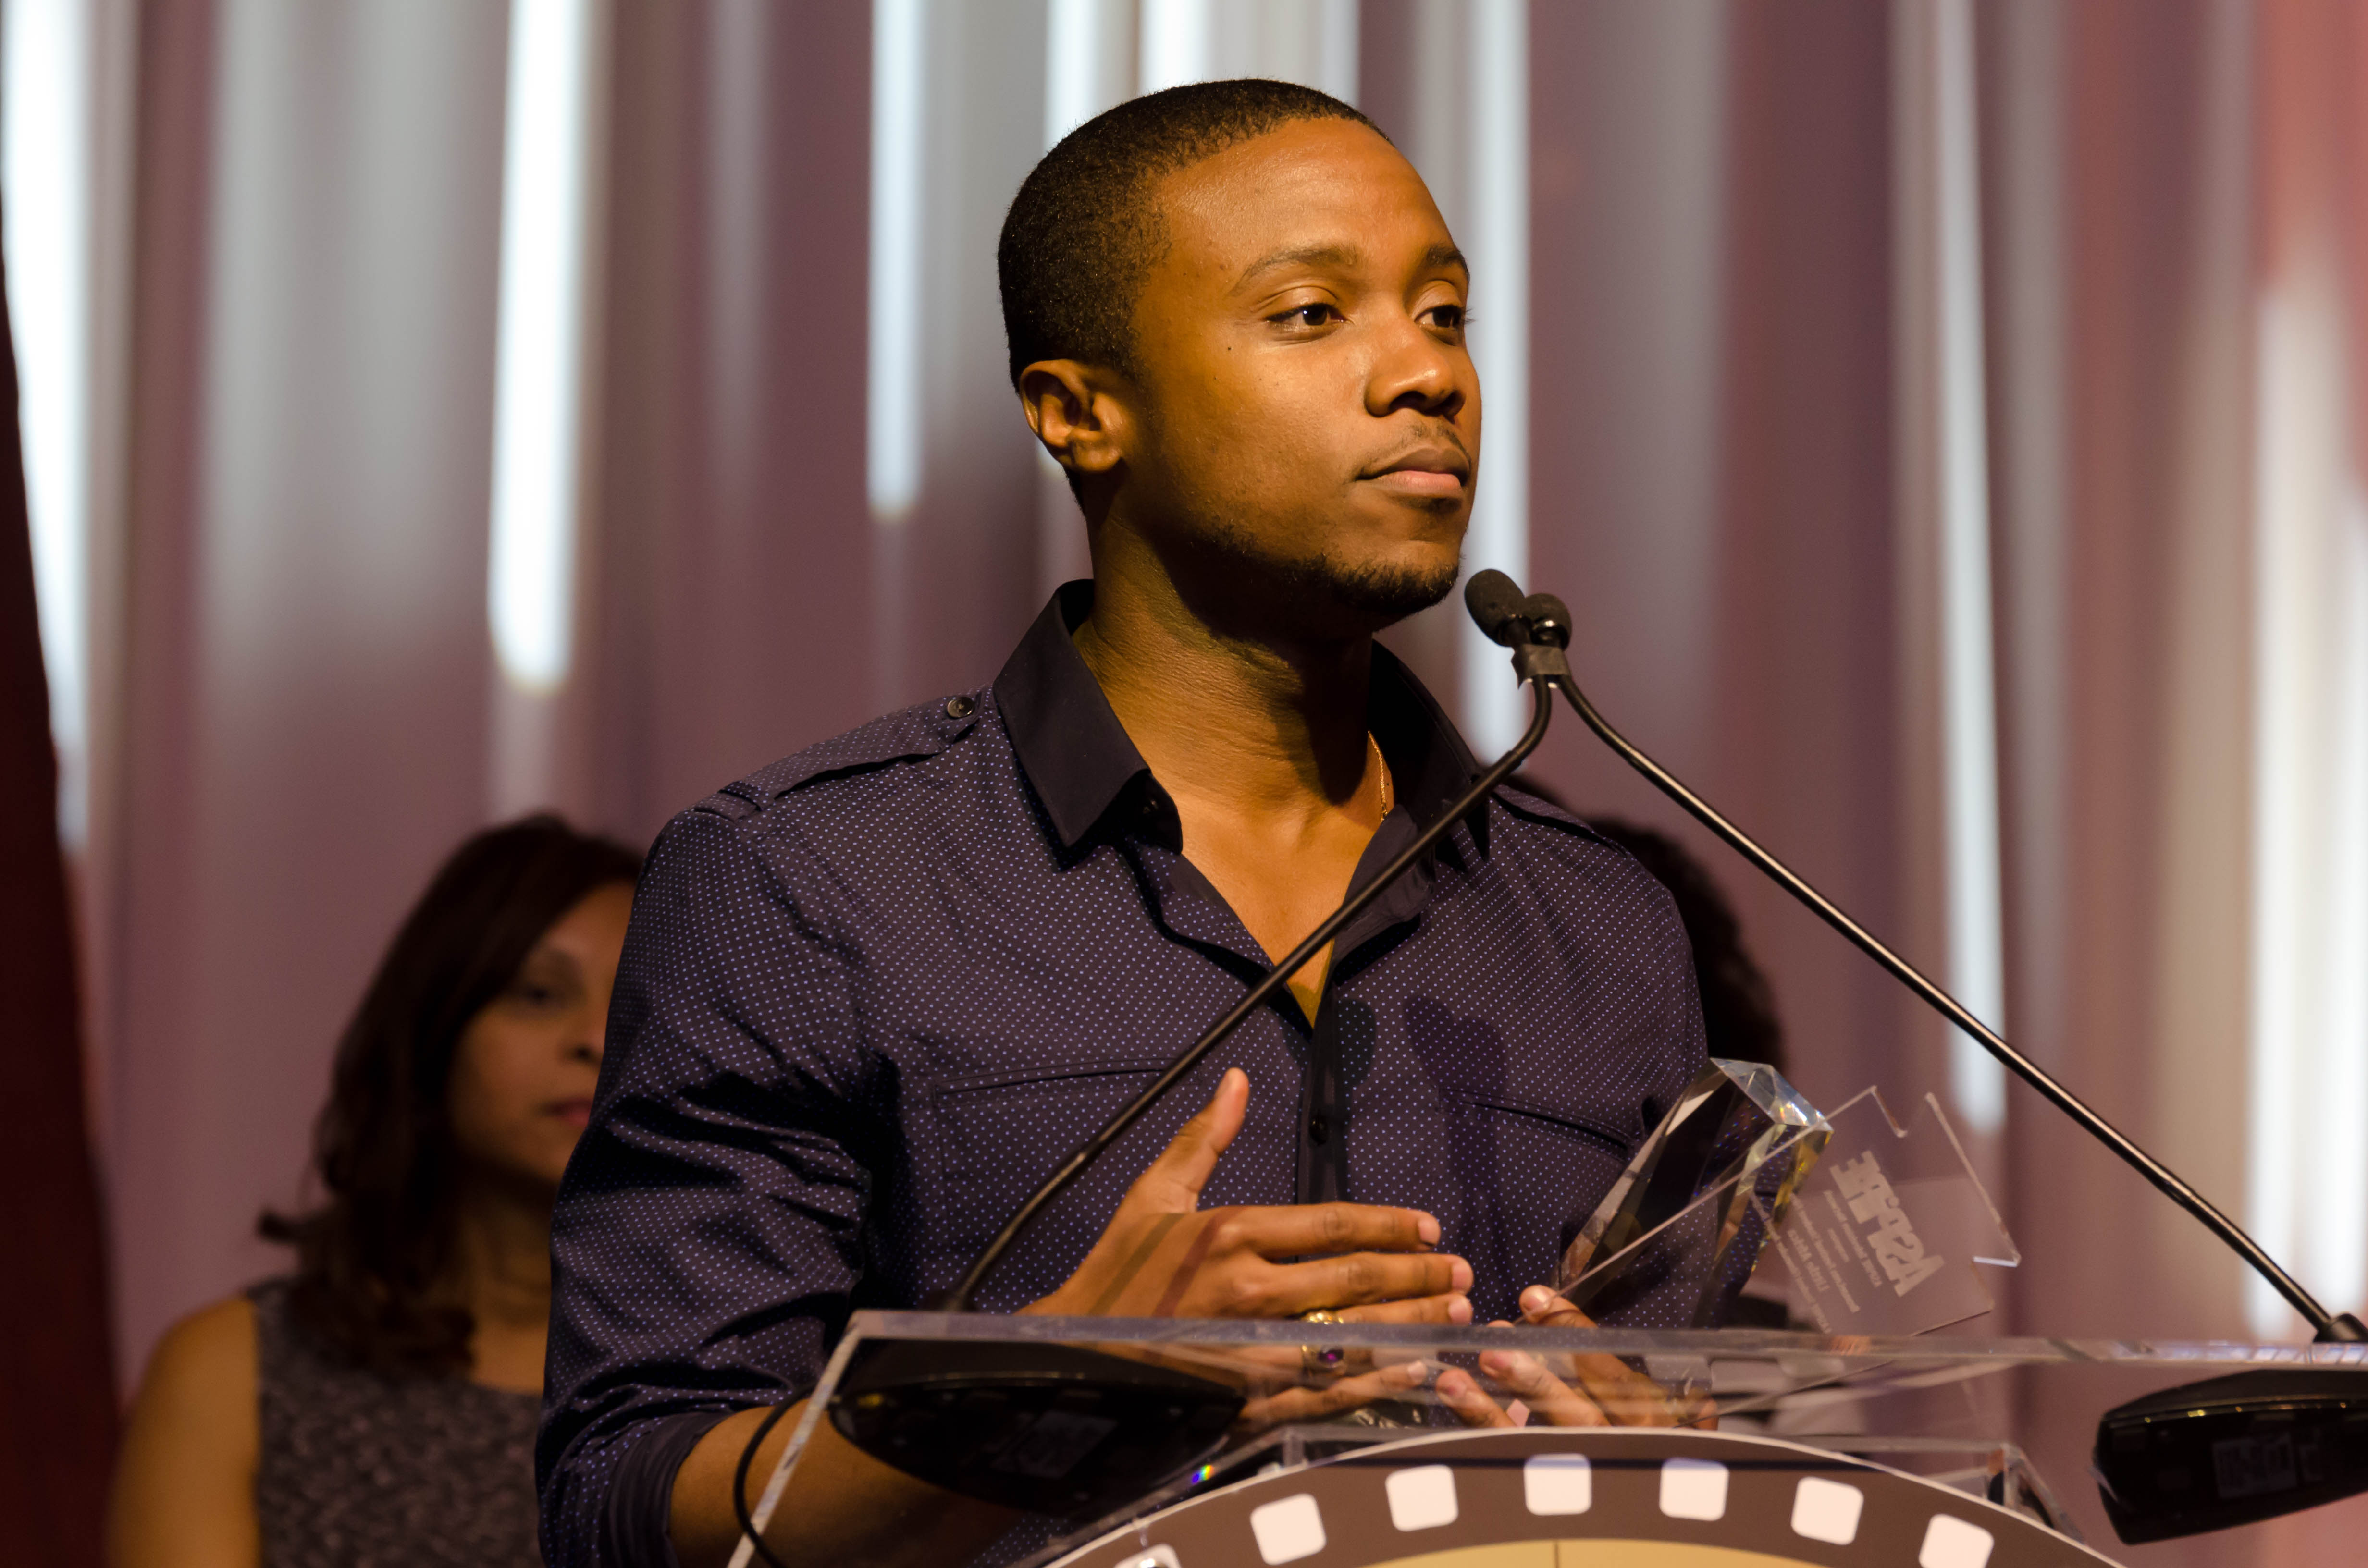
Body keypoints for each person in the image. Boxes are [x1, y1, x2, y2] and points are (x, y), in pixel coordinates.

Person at [539, 81, 1719, 1568]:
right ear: (1080, 412)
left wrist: (1663, 1456)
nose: (1429, 375)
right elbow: (625, 1505)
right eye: (1312, 314)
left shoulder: (1601, 922)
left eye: (1444, 314)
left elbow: (1683, 1428)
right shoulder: (808, 883)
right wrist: (1047, 1394)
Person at [108, 816, 641, 1568]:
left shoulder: (751, 1378)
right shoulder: (233, 1372)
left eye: (635, 1006)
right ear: (434, 1028)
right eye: (539, 994)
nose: (597, 1039)